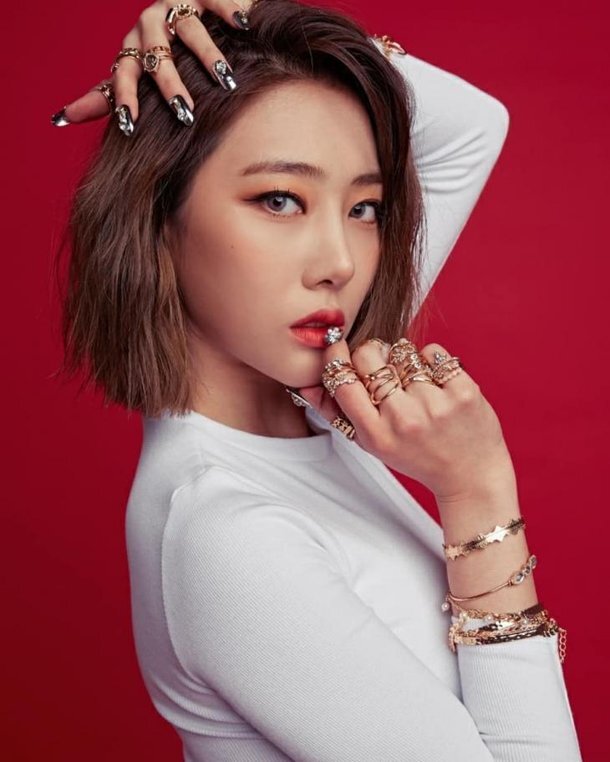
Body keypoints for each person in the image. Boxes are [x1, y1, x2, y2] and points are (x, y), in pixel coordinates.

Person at [51, 1, 583, 759]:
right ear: (159, 213)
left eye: (365, 208)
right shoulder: (224, 532)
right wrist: (480, 492)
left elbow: (472, 126)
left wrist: (245, 19)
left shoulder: (322, 389)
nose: (338, 261)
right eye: (279, 200)